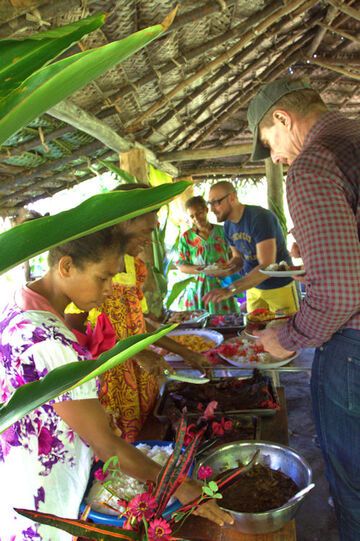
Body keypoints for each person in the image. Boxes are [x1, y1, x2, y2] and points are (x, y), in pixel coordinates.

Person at [0, 226, 232, 541]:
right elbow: (105, 445)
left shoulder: (17, 303)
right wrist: (179, 484)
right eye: (103, 278)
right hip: (42, 496)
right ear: (66, 267)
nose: (110, 289)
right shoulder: (52, 342)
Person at [246, 77, 360, 541]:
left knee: (353, 485)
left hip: (353, 349)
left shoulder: (314, 164)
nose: (276, 157)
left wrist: (286, 336)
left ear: (282, 119)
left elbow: (339, 295)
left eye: (269, 144)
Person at [66, 187, 210, 442]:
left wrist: (186, 352)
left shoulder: (135, 266)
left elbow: (137, 323)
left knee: (146, 442)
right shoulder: (86, 267)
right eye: (146, 230)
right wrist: (134, 353)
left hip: (140, 381)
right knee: (115, 454)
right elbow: (75, 336)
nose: (150, 239)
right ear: (123, 221)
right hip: (108, 387)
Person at [203, 181, 299, 315]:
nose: (212, 209)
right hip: (253, 287)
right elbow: (238, 258)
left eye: (216, 202)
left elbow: (267, 266)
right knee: (254, 330)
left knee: (284, 330)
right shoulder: (228, 226)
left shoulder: (259, 218)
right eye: (210, 204)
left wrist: (230, 289)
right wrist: (226, 269)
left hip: (279, 286)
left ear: (232, 197)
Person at [176, 195, 241, 314]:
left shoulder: (223, 231)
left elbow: (235, 257)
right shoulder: (187, 238)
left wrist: (226, 269)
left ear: (206, 210)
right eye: (192, 216)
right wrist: (203, 270)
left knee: (224, 324)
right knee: (200, 327)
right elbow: (181, 265)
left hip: (221, 286)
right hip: (198, 290)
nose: (196, 218)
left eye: (199, 213)